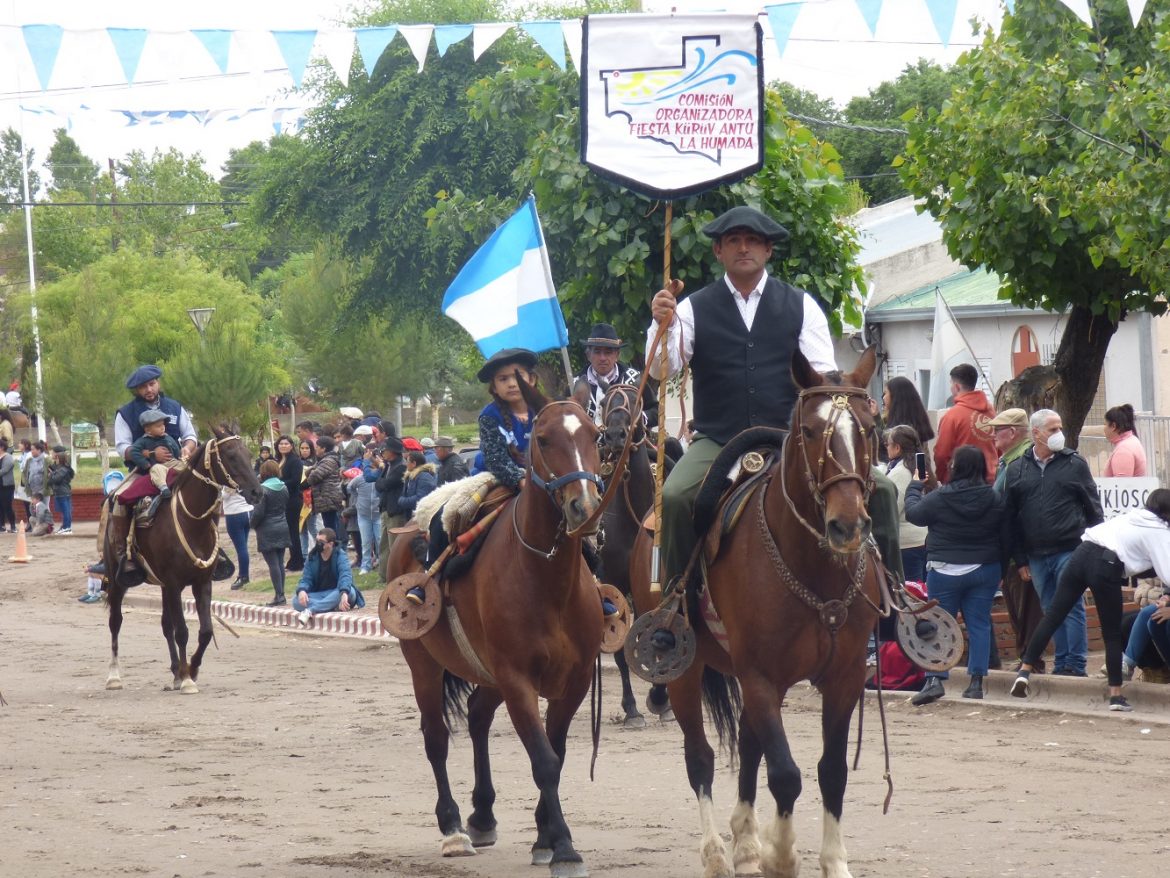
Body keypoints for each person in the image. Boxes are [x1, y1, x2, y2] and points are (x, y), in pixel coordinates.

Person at [645, 205, 840, 594]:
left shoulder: (801, 306)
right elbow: (660, 369)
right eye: (734, 240)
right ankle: (677, 600)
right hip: (718, 438)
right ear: (718, 251)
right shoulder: (691, 308)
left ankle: (892, 597)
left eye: (753, 240)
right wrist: (659, 323)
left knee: (879, 491)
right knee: (675, 496)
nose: (744, 247)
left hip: (791, 438)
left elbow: (825, 381)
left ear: (768, 250)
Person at [1011, 489, 1170, 712]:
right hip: (1106, 566)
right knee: (1111, 633)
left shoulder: (1133, 516)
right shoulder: (1159, 529)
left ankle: (1024, 672)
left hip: (1081, 554)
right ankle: (1115, 696)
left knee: (1054, 615)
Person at [904, 445, 1008, 703]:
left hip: (944, 569)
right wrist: (1002, 568)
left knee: (939, 625)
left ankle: (935, 679)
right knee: (979, 624)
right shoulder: (994, 498)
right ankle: (976, 683)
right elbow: (1006, 534)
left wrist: (915, 486)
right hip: (984, 568)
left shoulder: (940, 497)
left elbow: (914, 514)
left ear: (955, 467)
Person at [1003, 408, 1103, 677]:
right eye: (1052, 429)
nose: (1059, 434)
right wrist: (1020, 558)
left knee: (1071, 606)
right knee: (1050, 609)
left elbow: (1094, 509)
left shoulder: (1074, 464)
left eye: (1060, 428)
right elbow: (1011, 518)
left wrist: (1094, 548)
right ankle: (1062, 663)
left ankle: (1076, 664)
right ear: (1036, 434)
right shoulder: (1018, 469)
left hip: (1070, 549)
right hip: (1035, 555)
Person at [94, 364, 198, 583]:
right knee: (114, 501)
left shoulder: (175, 407)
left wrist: (187, 449)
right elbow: (123, 447)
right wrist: (151, 455)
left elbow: (190, 436)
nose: (149, 390)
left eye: (152, 384)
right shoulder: (126, 413)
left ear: (158, 383)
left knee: (204, 491)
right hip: (142, 471)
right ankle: (117, 556)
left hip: (178, 466)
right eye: (143, 387)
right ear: (136, 390)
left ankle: (212, 550)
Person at [987, 407, 1047, 672]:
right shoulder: (1009, 460)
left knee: (1028, 609)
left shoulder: (1021, 460)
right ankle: (1027, 658)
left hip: (1021, 549)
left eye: (997, 430)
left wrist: (1021, 555)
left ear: (1012, 432)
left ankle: (1031, 660)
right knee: (1018, 607)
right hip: (1012, 548)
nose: (992, 436)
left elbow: (1020, 511)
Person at [573, 323, 658, 428]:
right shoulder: (574, 384)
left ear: (617, 355)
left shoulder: (633, 380)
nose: (602, 358)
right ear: (588, 355)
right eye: (597, 352)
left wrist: (639, 418)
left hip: (628, 443)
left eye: (608, 352)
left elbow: (657, 411)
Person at [932, 363, 997, 484]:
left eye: (950, 383)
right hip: (992, 481)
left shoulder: (952, 416)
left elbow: (941, 454)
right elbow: (999, 446)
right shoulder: (992, 411)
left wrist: (945, 478)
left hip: (963, 484)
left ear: (957, 387)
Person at [291, 527, 366, 626]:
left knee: (350, 592)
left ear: (330, 544)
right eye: (317, 540)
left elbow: (345, 576)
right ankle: (330, 606)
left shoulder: (340, 555)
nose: (318, 544)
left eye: (321, 542)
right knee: (296, 600)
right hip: (321, 594)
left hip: (338, 592)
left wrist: (344, 593)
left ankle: (311, 610)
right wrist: (302, 590)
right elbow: (306, 579)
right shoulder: (312, 557)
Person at [884, 425, 930, 583]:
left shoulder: (900, 473)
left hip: (906, 544)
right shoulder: (916, 467)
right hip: (921, 539)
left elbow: (892, 509)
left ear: (897, 447)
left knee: (912, 593)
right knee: (921, 590)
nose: (886, 448)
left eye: (888, 444)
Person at [128, 410, 184, 519]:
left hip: (172, 462)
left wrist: (179, 458)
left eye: (163, 425)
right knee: (157, 470)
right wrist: (145, 464)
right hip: (158, 465)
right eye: (158, 426)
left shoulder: (168, 438)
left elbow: (176, 449)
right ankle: (164, 488)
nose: (162, 427)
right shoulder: (143, 441)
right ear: (148, 429)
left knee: (186, 467)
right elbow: (134, 452)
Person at [250, 459, 291, 606]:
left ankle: (279, 595)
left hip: (267, 528)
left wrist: (252, 524)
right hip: (282, 525)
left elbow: (258, 513)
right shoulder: (284, 487)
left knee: (273, 564)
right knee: (280, 563)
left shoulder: (263, 489)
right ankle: (282, 594)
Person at [366, 435, 406, 580]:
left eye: (386, 450)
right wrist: (381, 482)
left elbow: (384, 484)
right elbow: (379, 483)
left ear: (393, 451)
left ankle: (396, 576)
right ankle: (384, 575)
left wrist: (381, 482)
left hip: (395, 511)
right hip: (386, 509)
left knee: (394, 546)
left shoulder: (401, 466)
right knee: (383, 545)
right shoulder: (389, 465)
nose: (383, 453)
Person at [274, 435, 305, 571]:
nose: (283, 446)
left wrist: (277, 483)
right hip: (281, 500)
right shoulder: (277, 460)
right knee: (288, 532)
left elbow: (295, 481)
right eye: (281, 444)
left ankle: (297, 561)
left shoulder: (295, 461)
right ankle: (293, 559)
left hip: (292, 499)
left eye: (286, 444)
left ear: (291, 446)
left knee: (293, 532)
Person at [883, 376, 935, 449]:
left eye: (885, 393)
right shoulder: (917, 424)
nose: (883, 397)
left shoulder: (900, 433)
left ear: (895, 396)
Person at [306, 435, 344, 535]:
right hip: (327, 499)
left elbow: (312, 478)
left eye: (317, 447)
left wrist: (311, 471)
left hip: (328, 499)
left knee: (331, 528)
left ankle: (334, 549)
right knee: (331, 525)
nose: (315, 449)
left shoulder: (328, 461)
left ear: (324, 448)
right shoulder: (324, 460)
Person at [222, 486, 253, 590]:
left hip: (234, 513)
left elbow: (224, 496)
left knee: (241, 548)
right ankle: (244, 574)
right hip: (247, 510)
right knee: (243, 546)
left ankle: (243, 575)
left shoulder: (230, 480)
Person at [1103, 404, 1147, 477]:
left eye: (1105, 424)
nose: (1104, 428)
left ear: (1113, 426)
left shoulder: (1123, 450)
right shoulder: (1131, 441)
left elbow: (1122, 484)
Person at [297, 439, 320, 559]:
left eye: (307, 448)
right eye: (302, 448)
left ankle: (320, 550)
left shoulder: (315, 463)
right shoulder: (297, 463)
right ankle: (304, 556)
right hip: (299, 499)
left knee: (313, 528)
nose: (304, 451)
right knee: (302, 529)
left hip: (311, 500)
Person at [397, 451, 437, 518]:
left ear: (414, 463)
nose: (406, 464)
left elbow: (421, 499)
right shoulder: (412, 475)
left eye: (407, 462)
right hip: (412, 514)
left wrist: (402, 501)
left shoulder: (424, 477)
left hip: (421, 516)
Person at [46, 446, 74, 535]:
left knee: (66, 511)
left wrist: (51, 475)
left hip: (63, 492)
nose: (51, 455)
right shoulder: (57, 467)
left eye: (53, 453)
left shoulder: (63, 468)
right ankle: (65, 527)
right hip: (59, 491)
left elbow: (55, 479)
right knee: (64, 510)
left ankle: (67, 527)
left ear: (58, 456)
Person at [0, 438, 17, 533]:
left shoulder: (8, 457)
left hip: (6, 486)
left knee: (7, 506)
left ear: (2, 447)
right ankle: (1, 526)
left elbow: (5, 470)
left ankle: (13, 526)